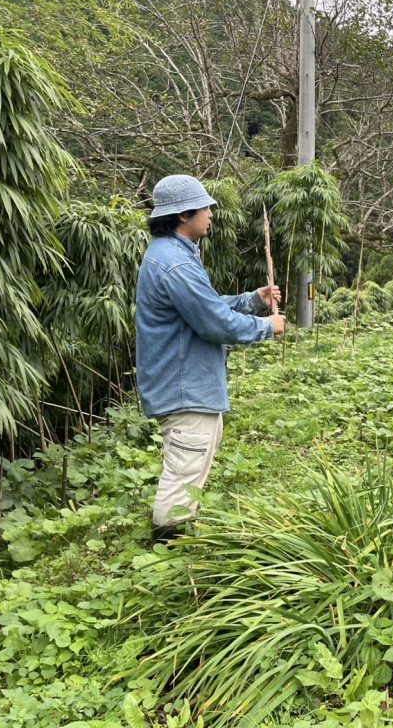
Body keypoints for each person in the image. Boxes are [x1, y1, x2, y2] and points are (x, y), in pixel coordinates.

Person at [136, 174, 285, 544]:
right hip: (185, 387)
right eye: (206, 207)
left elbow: (205, 306)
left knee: (190, 474)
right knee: (183, 476)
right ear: (183, 215)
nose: (211, 214)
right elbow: (214, 323)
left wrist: (253, 300)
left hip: (191, 386)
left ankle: (176, 546)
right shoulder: (176, 263)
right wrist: (267, 326)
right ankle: (166, 552)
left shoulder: (174, 255)